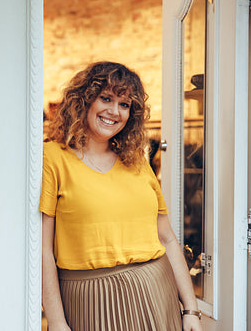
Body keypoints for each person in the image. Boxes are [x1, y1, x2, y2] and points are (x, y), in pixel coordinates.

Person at [40, 61, 203, 331]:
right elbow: (43, 249)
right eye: (106, 98)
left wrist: (191, 310)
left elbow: (167, 239)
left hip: (155, 293)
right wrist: (56, 321)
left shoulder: (138, 161)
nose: (114, 111)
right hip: (89, 300)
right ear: (84, 101)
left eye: (124, 105)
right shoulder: (52, 158)